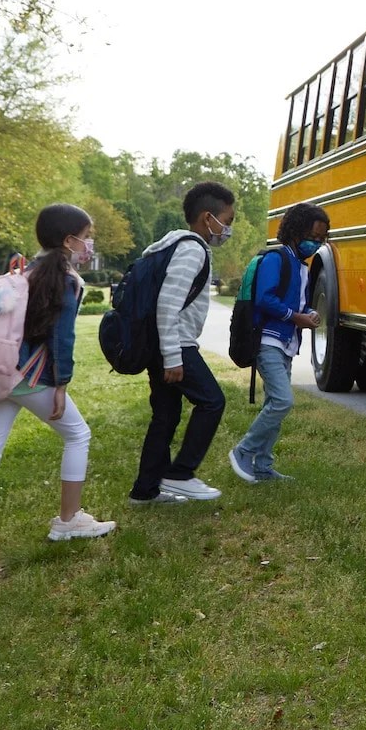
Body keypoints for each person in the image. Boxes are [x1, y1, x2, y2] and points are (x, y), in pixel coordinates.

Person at [0, 203, 118, 543]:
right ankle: (69, 520)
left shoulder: (24, 273)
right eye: (86, 238)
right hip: (33, 377)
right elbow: (61, 338)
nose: (89, 244)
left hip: (5, 374)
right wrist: (62, 384)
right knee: (77, 435)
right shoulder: (65, 280)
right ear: (69, 241)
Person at [128, 180, 235, 504]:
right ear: (208, 218)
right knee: (212, 401)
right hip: (176, 344)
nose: (227, 230)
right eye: (227, 222)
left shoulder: (170, 245)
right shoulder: (191, 250)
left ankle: (145, 491)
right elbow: (167, 305)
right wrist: (173, 356)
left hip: (161, 344)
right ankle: (180, 473)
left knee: (166, 415)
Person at [226, 202, 328, 484]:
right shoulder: (276, 259)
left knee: (273, 402)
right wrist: (296, 317)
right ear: (295, 232)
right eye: (313, 237)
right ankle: (243, 451)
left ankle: (263, 466)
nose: (316, 244)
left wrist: (308, 313)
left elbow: (298, 302)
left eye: (321, 240)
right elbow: (264, 298)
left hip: (286, 344)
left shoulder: (301, 267)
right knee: (283, 401)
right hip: (268, 341)